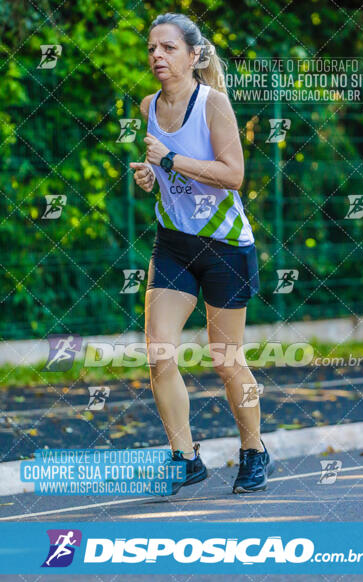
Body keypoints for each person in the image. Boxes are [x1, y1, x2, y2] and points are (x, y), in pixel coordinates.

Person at [130, 12, 275, 494]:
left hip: (225, 247)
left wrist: (170, 159)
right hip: (173, 243)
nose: (157, 56)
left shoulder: (213, 104)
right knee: (158, 352)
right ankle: (184, 456)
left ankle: (254, 449)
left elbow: (233, 175)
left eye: (168, 48)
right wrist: (152, 178)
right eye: (152, 48)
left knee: (227, 359)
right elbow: (169, 178)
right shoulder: (149, 105)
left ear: (194, 56)